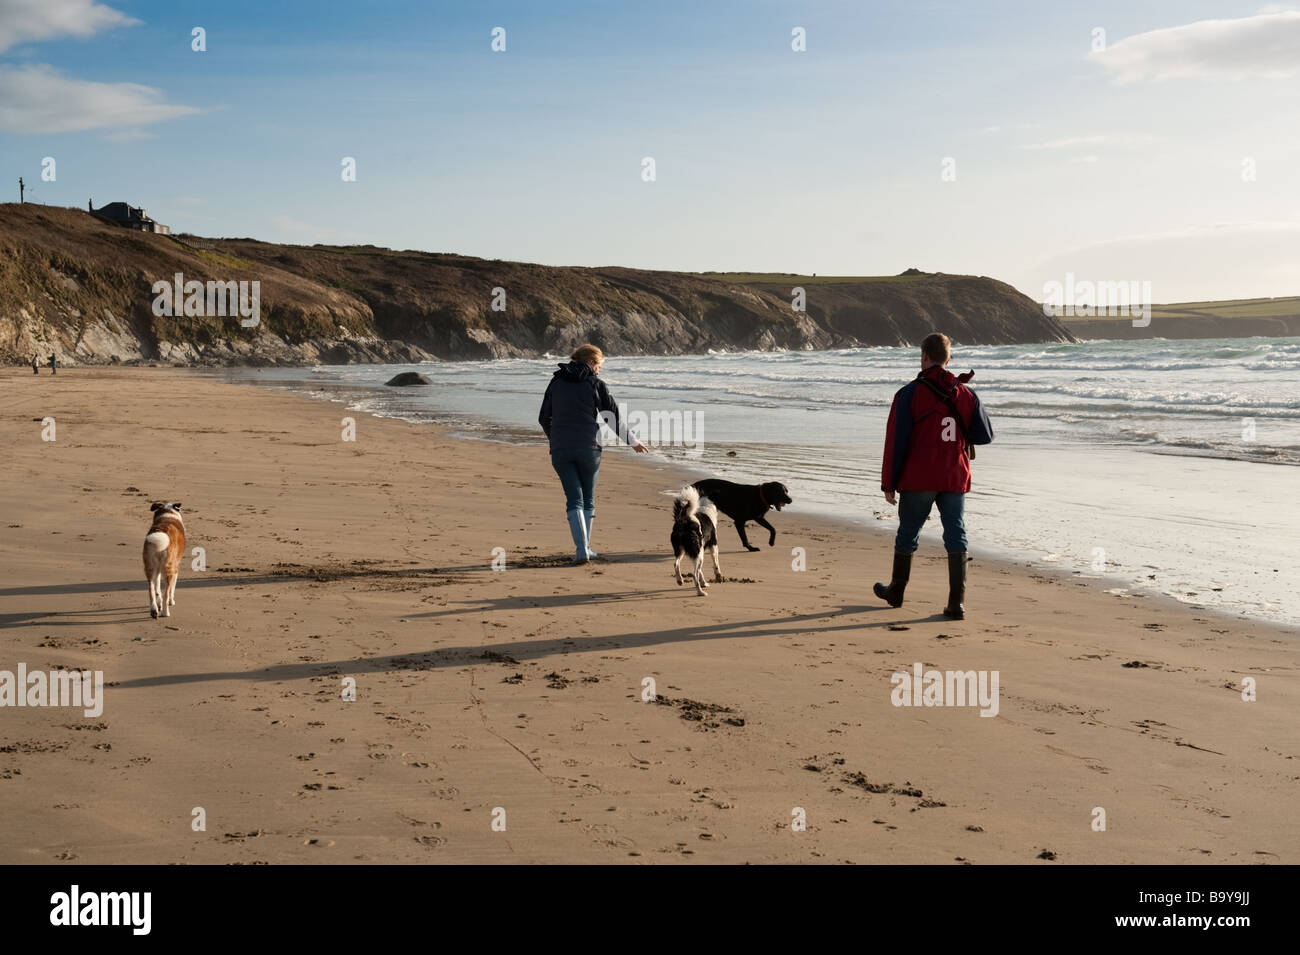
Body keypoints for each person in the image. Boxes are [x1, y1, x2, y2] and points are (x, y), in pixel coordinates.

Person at [874, 333, 994, 619]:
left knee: (908, 533)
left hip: (920, 477)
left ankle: (897, 591)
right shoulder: (966, 393)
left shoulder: (908, 393)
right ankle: (956, 603)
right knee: (956, 533)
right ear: (948, 358)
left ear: (924, 356)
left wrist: (888, 484)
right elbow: (985, 435)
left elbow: (896, 442)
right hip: (954, 476)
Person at [538, 344, 647, 564]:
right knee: (587, 499)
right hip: (589, 448)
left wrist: (556, 438)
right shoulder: (595, 384)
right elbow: (612, 417)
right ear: (590, 362)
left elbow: (543, 418)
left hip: (560, 448)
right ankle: (585, 549)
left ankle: (582, 550)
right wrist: (632, 441)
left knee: (573, 499)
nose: (598, 370)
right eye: (598, 365)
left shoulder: (555, 383)